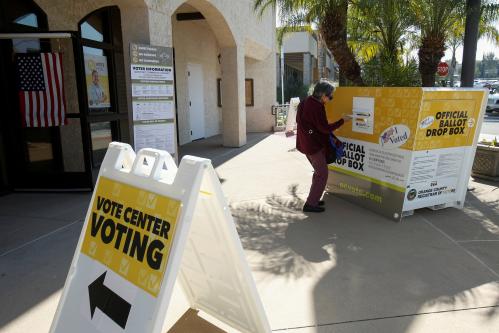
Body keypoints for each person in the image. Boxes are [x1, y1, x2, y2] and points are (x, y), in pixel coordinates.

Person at [296, 80, 351, 213]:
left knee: (318, 173)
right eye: (330, 96)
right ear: (322, 95)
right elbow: (324, 128)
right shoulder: (316, 107)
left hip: (305, 143)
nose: (330, 99)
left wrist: (310, 131)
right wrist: (343, 121)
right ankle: (310, 204)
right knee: (322, 174)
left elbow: (300, 121)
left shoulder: (306, 101)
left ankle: (313, 199)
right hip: (313, 146)